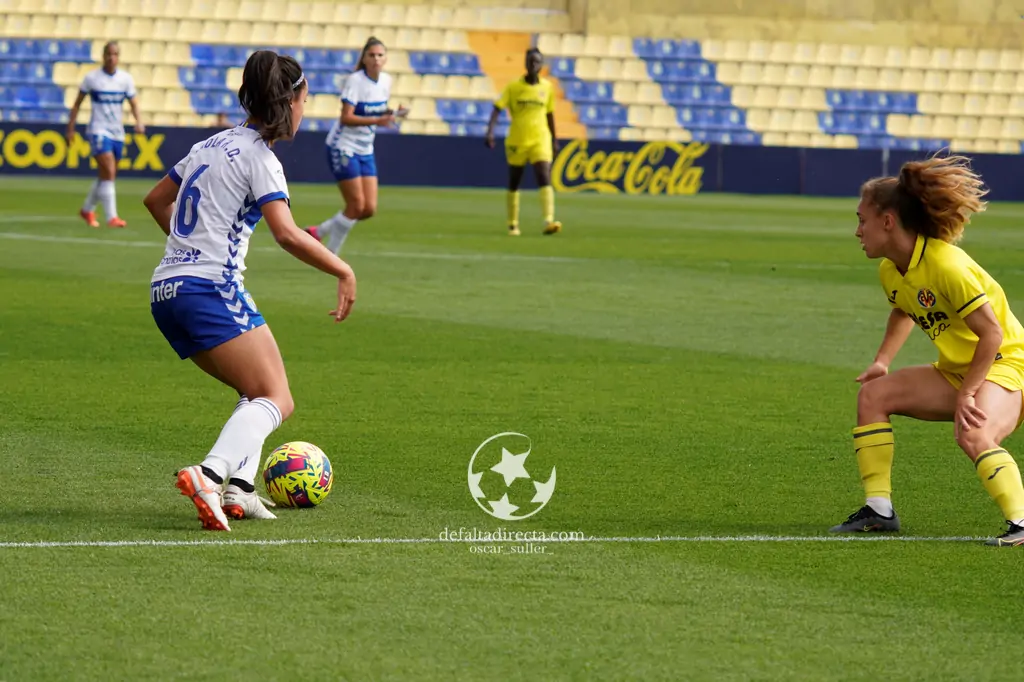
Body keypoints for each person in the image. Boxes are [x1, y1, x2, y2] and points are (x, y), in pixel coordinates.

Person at [142, 50, 357, 531]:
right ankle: (210, 474)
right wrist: (343, 269)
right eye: (306, 99)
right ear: (292, 100)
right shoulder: (262, 158)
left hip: (166, 289)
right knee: (277, 398)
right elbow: (287, 233)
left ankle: (240, 490)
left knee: (253, 390)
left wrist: (187, 250)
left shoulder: (209, 145)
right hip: (209, 289)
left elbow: (156, 198)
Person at [834, 154, 1024, 546]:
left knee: (973, 432)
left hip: (1007, 365)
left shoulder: (947, 266)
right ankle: (879, 509)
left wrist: (968, 393)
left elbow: (990, 334)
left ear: (887, 221)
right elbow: (904, 310)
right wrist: (882, 361)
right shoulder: (893, 268)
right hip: (960, 368)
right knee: (872, 396)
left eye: (861, 219)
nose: (857, 231)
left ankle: (1021, 522)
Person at [306, 37, 407, 255]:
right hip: (343, 147)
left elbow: (375, 111)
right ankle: (329, 255)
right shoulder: (355, 81)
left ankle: (318, 231)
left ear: (386, 58)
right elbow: (346, 118)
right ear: (364, 58)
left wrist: (394, 113)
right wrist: (378, 121)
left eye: (380, 55)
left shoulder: (386, 81)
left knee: (368, 209)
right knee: (356, 205)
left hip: (365, 148)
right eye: (371, 55)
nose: (376, 59)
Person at [66, 41, 143, 229]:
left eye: (115, 54)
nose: (111, 58)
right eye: (108, 54)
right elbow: (77, 104)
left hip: (117, 132)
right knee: (108, 171)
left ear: (119, 57)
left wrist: (138, 121)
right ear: (103, 56)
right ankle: (112, 217)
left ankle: (86, 210)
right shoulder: (92, 78)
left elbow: (133, 103)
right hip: (98, 130)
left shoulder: (125, 79)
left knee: (106, 175)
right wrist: (70, 128)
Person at [485, 47, 561, 237]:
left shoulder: (547, 88)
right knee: (515, 181)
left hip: (540, 139)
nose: (533, 65)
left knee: (544, 175)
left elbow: (550, 114)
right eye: (530, 61)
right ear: (525, 64)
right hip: (518, 140)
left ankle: (548, 220)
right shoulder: (513, 87)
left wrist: (554, 139)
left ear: (541, 65)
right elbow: (497, 108)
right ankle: (513, 224)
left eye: (537, 62)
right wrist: (490, 132)